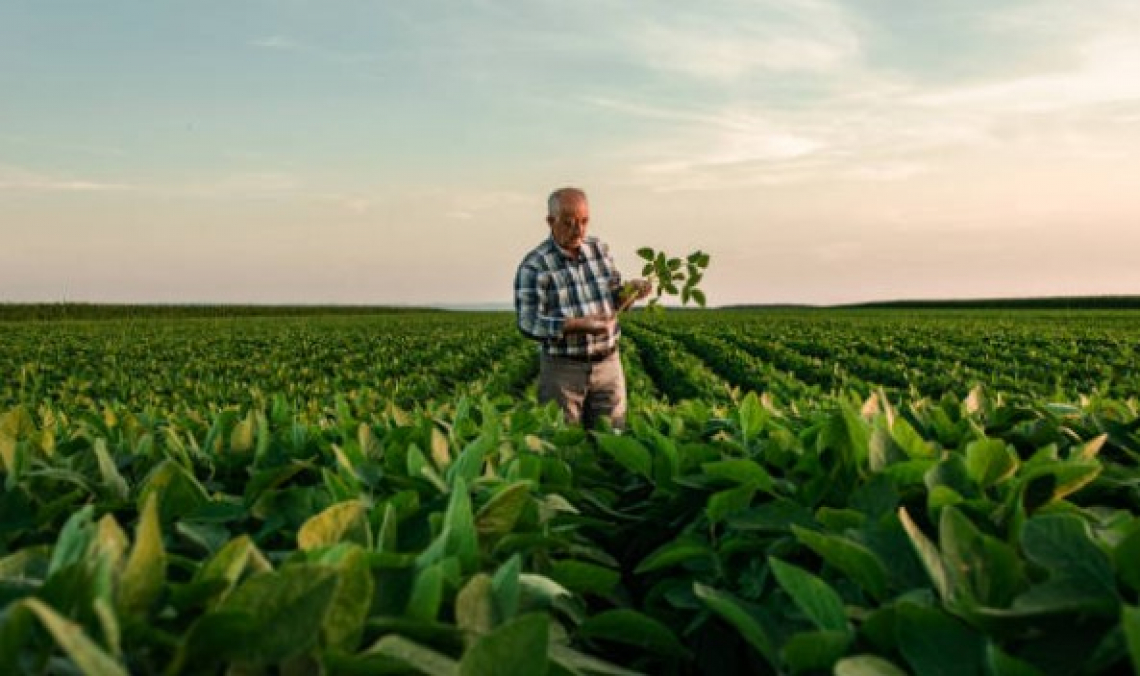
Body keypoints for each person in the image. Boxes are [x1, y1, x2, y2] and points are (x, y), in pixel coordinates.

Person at [514, 187, 650, 430]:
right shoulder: (535, 265)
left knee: (613, 438)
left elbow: (615, 299)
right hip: (563, 369)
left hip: (608, 364)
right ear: (550, 221)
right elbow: (528, 322)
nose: (579, 230)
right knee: (564, 442)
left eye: (584, 221)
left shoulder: (599, 249)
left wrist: (631, 292)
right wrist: (574, 325)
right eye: (569, 223)